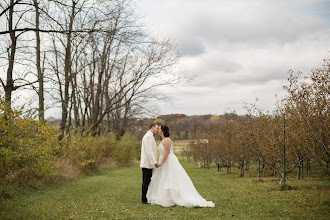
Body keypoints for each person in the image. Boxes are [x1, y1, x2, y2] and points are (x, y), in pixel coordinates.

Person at [147, 125, 215, 207]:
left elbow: (167, 153)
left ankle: (172, 196)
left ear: (162, 131)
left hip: (168, 161)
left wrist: (161, 163)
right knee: (163, 178)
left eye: (159, 129)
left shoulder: (167, 140)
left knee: (170, 177)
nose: (158, 130)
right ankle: (164, 196)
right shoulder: (163, 140)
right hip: (163, 160)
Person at [140, 124, 161, 204]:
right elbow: (149, 152)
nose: (158, 129)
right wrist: (154, 162)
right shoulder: (148, 136)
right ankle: (144, 198)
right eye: (157, 128)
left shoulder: (150, 136)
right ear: (152, 127)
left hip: (148, 163)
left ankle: (146, 197)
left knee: (147, 180)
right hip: (147, 163)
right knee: (146, 181)